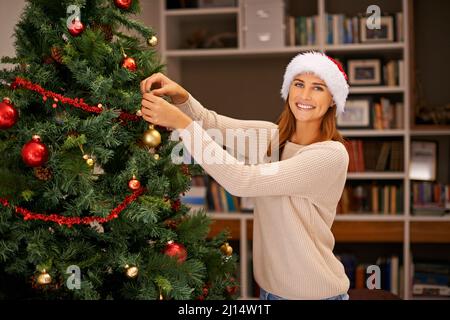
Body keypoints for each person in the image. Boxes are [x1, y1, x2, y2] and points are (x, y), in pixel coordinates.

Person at [140, 51, 351, 300]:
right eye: (299, 84)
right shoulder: (274, 139)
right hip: (271, 292)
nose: (304, 95)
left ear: (333, 100)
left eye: (318, 88)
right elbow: (211, 123)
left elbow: (242, 180)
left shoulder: (328, 156)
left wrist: (183, 125)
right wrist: (182, 97)